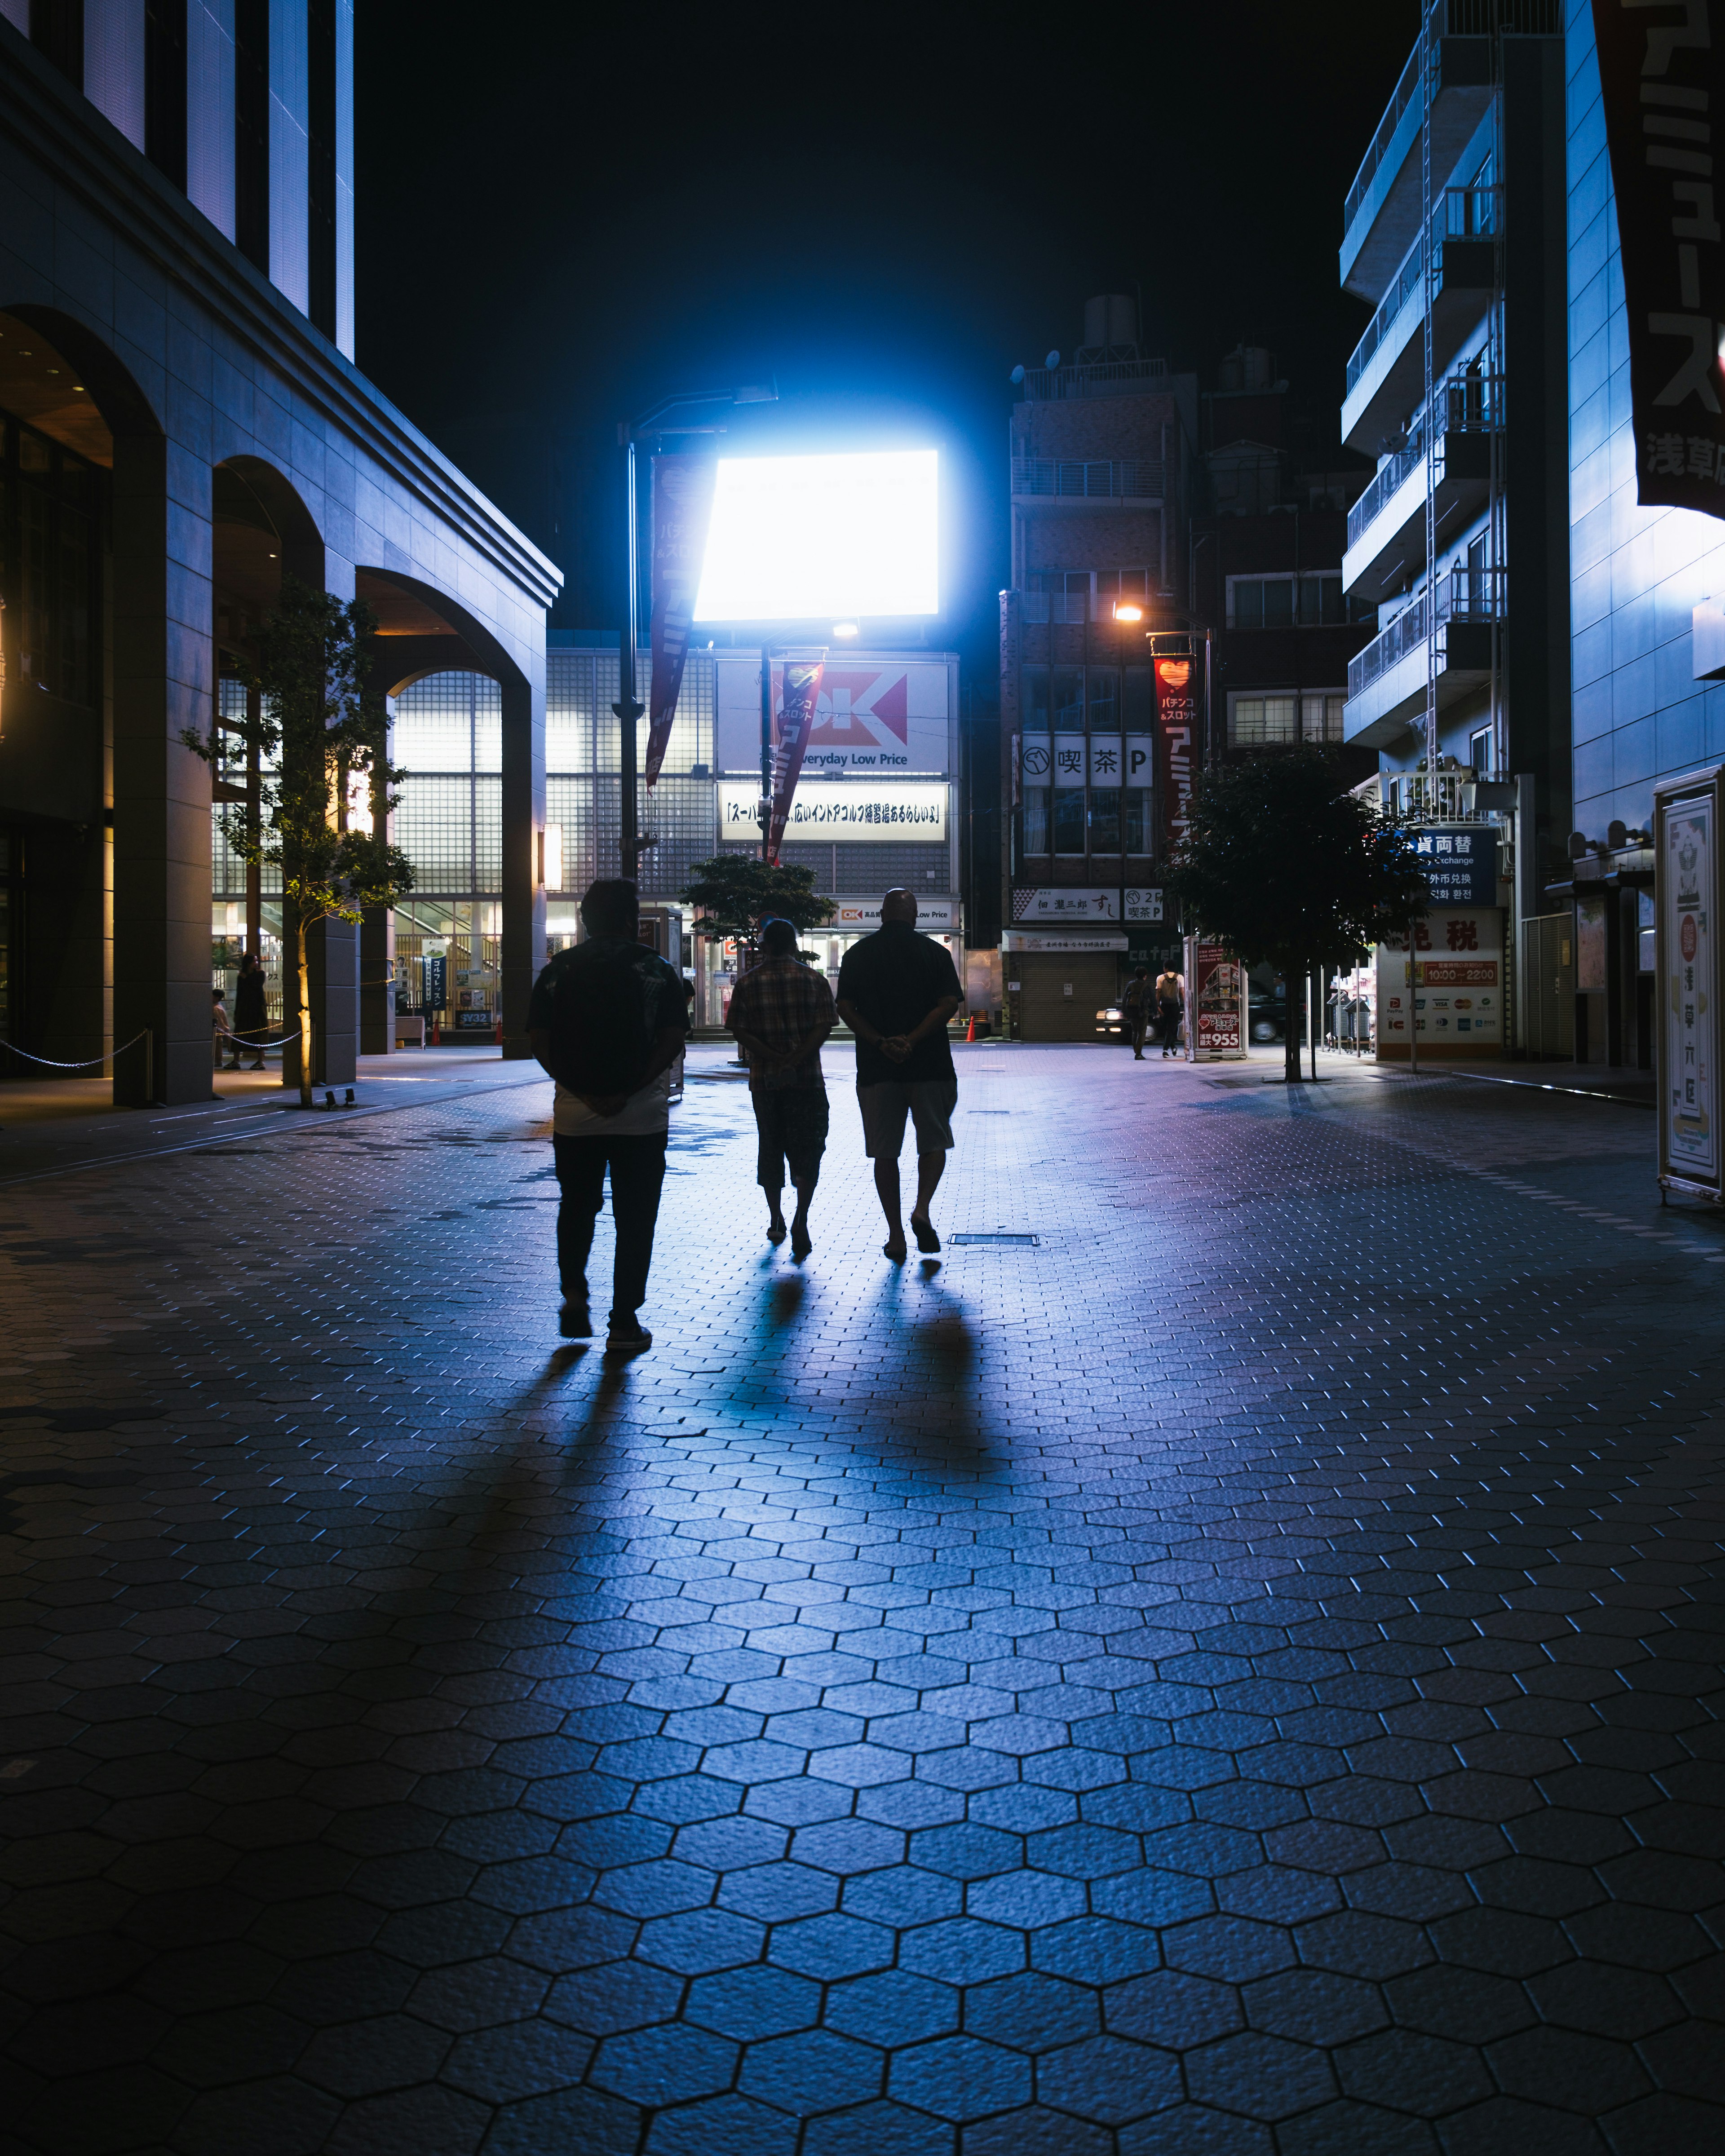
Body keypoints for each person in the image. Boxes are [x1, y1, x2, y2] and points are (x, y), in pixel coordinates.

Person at [527, 878, 688, 1354]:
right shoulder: (656, 970)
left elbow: (538, 1040)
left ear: (585, 921)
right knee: (636, 1217)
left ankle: (575, 1294)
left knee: (577, 1206)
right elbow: (672, 1039)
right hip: (640, 1118)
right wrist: (630, 1089)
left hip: (577, 1117)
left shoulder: (559, 971)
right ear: (630, 920)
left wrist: (584, 1091)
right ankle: (624, 1321)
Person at [836, 888, 963, 1261]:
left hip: (877, 1070)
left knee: (885, 1153)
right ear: (916, 916)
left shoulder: (857, 954)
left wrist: (881, 1043)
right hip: (930, 1065)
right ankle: (922, 1209)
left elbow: (845, 1007)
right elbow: (949, 1004)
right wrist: (913, 1039)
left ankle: (896, 1236)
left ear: (880, 915)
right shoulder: (936, 953)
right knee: (934, 1142)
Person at [726, 918, 837, 1257]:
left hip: (765, 1083)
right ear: (794, 945)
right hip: (807, 1081)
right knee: (808, 1148)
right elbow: (824, 1027)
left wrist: (774, 1057)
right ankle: (802, 1216)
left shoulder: (747, 984)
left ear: (766, 946)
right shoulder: (814, 981)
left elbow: (740, 1031)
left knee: (771, 1146)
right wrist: (797, 1058)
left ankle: (776, 1218)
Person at [232, 953, 268, 1070]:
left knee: (259, 1033)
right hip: (244, 1007)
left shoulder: (260, 974)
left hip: (257, 1007)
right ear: (248, 963)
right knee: (239, 1033)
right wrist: (237, 1011)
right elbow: (240, 993)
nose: (257, 963)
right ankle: (236, 1061)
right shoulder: (241, 976)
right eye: (254, 961)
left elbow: (257, 987)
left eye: (257, 961)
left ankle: (261, 1061)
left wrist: (246, 978)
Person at [1154, 963, 1185, 1060]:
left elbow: (1158, 993)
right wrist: (1187, 1005)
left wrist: (1157, 1006)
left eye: (1164, 967)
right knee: (1171, 1028)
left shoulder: (1160, 978)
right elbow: (1182, 992)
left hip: (1164, 1006)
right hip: (1175, 1005)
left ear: (1166, 968)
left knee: (1166, 1028)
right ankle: (1171, 1048)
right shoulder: (1180, 977)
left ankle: (1166, 1050)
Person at [1123, 966, 1154, 1059]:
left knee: (1135, 1032)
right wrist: (1156, 1010)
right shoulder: (1147, 986)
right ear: (1145, 976)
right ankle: (1138, 1054)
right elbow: (1153, 999)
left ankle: (1136, 1051)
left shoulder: (1130, 985)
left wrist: (1125, 1012)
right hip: (1143, 1012)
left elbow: (1125, 999)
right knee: (1142, 1032)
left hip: (1132, 1011)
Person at [212, 988, 235, 1069]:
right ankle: (218, 1061)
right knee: (218, 1046)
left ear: (217, 997)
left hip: (217, 1031)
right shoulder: (218, 1006)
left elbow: (219, 1022)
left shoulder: (216, 1009)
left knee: (217, 1047)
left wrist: (220, 1030)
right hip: (220, 1030)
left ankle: (218, 1061)